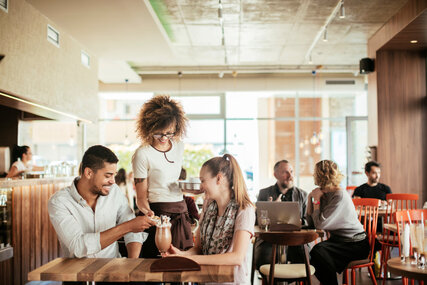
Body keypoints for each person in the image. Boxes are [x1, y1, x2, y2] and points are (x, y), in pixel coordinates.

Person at [48, 145, 156, 258]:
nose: (113, 181)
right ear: (89, 173)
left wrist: (132, 264)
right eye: (108, 176)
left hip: (113, 268)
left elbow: (133, 231)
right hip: (78, 272)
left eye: (114, 175)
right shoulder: (59, 202)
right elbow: (78, 247)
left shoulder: (114, 192)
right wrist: (128, 226)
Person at [163, 154, 256, 285]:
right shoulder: (208, 205)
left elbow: (237, 257)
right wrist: (183, 255)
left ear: (219, 179)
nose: (200, 187)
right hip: (206, 279)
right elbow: (199, 248)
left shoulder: (244, 209)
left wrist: (192, 260)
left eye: (202, 180)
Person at [132, 95, 193, 258]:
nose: (165, 138)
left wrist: (192, 189)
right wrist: (149, 214)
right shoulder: (142, 154)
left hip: (180, 211)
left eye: (170, 133)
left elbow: (171, 183)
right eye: (159, 134)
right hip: (158, 214)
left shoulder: (179, 146)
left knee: (181, 269)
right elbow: (141, 197)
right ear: (149, 128)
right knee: (154, 269)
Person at [307, 160, 370, 285]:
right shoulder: (324, 193)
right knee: (317, 254)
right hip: (339, 242)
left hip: (356, 243)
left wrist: (316, 201)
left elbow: (320, 225)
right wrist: (311, 199)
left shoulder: (339, 195)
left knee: (318, 252)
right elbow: (311, 223)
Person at [254, 160, 308, 270]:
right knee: (263, 260)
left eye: (291, 172)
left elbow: (308, 221)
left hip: (296, 240)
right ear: (275, 175)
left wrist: (300, 222)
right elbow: (256, 222)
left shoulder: (303, 195)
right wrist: (270, 209)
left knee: (306, 258)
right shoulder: (264, 193)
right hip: (270, 240)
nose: (290, 176)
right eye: (285, 172)